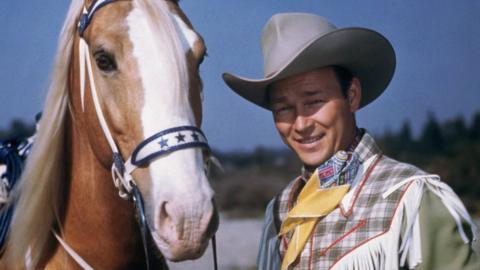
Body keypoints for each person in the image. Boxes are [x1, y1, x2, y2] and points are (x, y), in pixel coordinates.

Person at [222, 13, 479, 270]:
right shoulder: (280, 211)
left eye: (314, 102)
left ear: (352, 96)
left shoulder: (409, 198)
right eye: (283, 109)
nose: (301, 124)